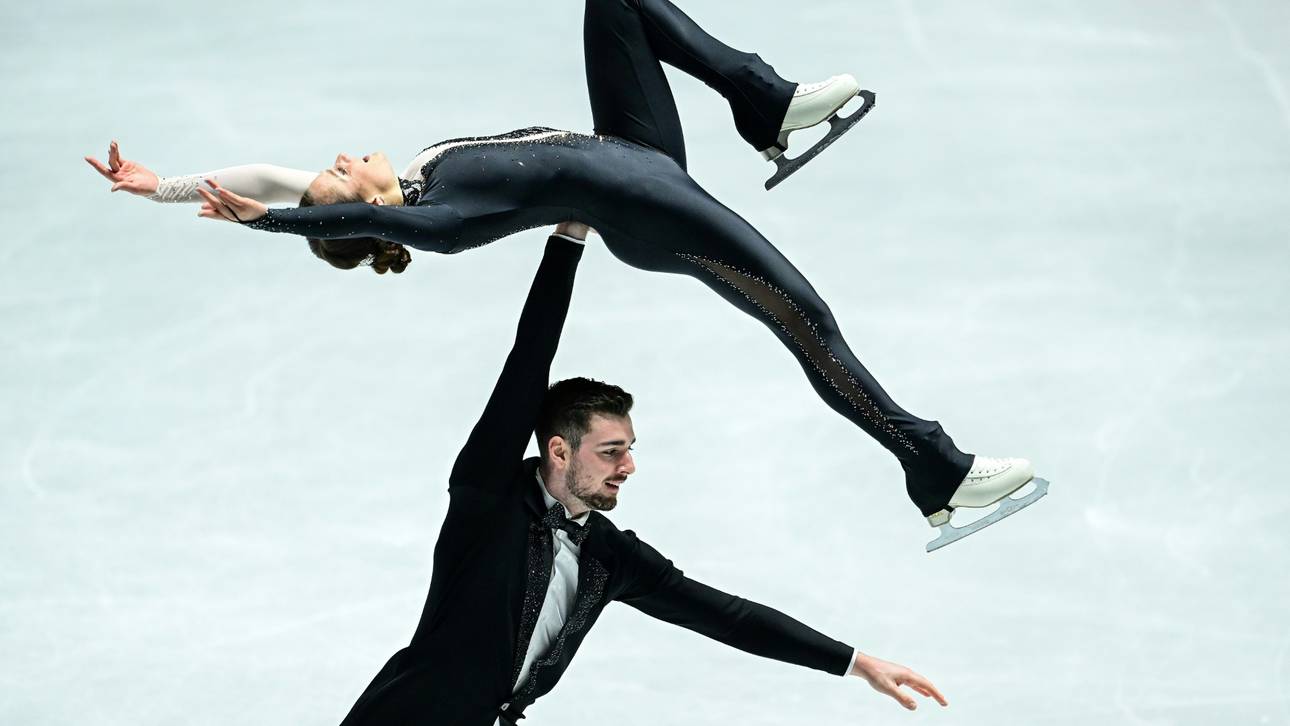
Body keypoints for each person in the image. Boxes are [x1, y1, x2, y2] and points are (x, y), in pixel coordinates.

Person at [86, 0, 1045, 547]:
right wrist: (279, 222)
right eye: (339, 175)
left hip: (639, 155)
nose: (338, 155)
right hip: (661, 217)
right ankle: (938, 470)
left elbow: (266, 174)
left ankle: (767, 101)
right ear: (366, 211)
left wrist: (161, 187)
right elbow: (309, 203)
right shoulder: (439, 219)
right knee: (809, 323)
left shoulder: (420, 173)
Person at [332, 229, 947, 725]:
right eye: (610, 451)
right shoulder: (486, 495)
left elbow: (724, 615)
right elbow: (529, 356)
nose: (628, 466)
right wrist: (568, 240)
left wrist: (855, 662)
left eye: (629, 449)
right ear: (558, 451)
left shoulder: (608, 555)